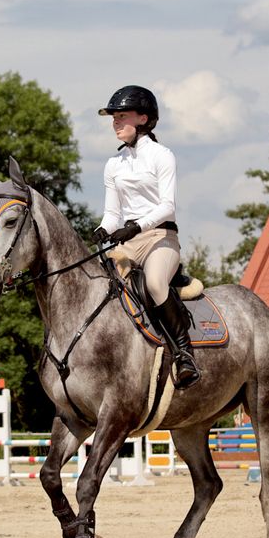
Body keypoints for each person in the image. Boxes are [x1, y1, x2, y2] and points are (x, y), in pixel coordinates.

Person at [93, 84, 200, 389]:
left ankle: (184, 353)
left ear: (143, 118)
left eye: (121, 116)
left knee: (154, 282)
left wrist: (136, 226)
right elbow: (112, 213)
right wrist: (103, 229)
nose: (115, 122)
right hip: (128, 241)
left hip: (160, 237)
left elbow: (167, 206)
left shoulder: (162, 156)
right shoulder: (113, 165)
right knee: (99, 286)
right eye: (114, 118)